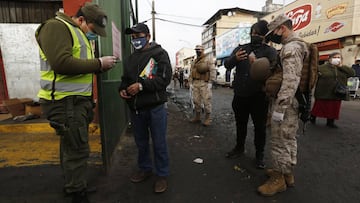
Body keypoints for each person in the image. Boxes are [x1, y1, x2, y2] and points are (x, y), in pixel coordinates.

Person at [35, 3, 116, 203]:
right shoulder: (56, 27)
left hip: (73, 102)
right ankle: (76, 193)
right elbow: (61, 63)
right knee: (78, 149)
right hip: (64, 103)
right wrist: (98, 64)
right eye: (93, 30)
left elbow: (77, 68)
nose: (94, 35)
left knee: (72, 146)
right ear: (81, 20)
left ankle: (73, 186)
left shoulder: (76, 33)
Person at [257, 14, 308, 196]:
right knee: (288, 139)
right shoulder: (296, 46)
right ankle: (287, 173)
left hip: (286, 104)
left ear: (282, 29)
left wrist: (279, 108)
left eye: (274, 33)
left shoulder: (292, 48)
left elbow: (290, 82)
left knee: (279, 140)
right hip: (292, 103)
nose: (273, 37)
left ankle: (278, 180)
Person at [118, 23, 172, 193]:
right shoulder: (131, 59)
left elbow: (164, 79)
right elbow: (125, 80)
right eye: (133, 37)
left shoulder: (160, 54)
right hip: (136, 108)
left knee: (159, 143)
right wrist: (121, 89)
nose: (136, 40)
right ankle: (145, 169)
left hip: (155, 107)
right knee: (141, 143)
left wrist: (141, 86)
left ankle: (162, 175)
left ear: (148, 37)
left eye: (139, 36)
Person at [224, 20, 277, 169]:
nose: (255, 36)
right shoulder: (241, 49)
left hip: (259, 97)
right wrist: (235, 58)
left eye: (259, 33)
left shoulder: (270, 51)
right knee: (240, 124)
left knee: (260, 127)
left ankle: (259, 156)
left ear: (265, 35)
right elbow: (227, 64)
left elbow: (274, 71)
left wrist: (259, 64)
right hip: (240, 95)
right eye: (253, 33)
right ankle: (239, 148)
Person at [310, 52, 355, 128]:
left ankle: (330, 122)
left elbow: (352, 73)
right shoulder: (322, 67)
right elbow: (313, 75)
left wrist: (341, 66)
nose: (337, 59)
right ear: (329, 59)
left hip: (337, 92)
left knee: (334, 108)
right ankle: (312, 117)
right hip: (323, 91)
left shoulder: (343, 68)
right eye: (335, 57)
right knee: (319, 106)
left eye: (339, 57)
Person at [188, 45, 216, 126]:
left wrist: (211, 82)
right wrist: (190, 82)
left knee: (206, 101)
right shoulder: (194, 61)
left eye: (199, 49)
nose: (198, 51)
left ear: (203, 50)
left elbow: (212, 70)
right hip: (195, 83)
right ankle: (197, 117)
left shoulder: (208, 59)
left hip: (205, 83)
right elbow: (191, 72)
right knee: (196, 101)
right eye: (196, 49)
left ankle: (208, 118)